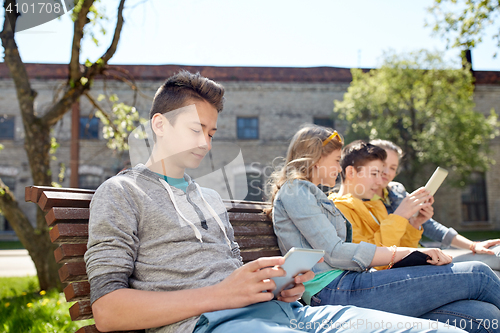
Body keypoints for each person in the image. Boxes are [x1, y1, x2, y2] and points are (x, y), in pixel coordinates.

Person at [82, 71, 460, 333]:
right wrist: (221, 296)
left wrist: (279, 285)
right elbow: (108, 311)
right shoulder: (121, 193)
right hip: (222, 325)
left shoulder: (208, 197)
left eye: (211, 132)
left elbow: (229, 275)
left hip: (290, 312)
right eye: (196, 129)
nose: (206, 143)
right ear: (160, 124)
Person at [269, 125, 500, 333]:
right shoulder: (295, 191)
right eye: (336, 160)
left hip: (350, 283)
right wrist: (403, 253)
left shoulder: (312, 194)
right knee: (478, 274)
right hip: (335, 291)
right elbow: (335, 252)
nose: (339, 167)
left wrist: (411, 238)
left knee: (483, 316)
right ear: (316, 159)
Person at [370, 139, 500, 272]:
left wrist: (473, 245)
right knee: (483, 270)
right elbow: (377, 254)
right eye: (383, 165)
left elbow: (431, 226)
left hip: (427, 258)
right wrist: (401, 215)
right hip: (405, 267)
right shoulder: (361, 202)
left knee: (497, 254)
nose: (386, 171)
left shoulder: (396, 191)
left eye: (393, 168)